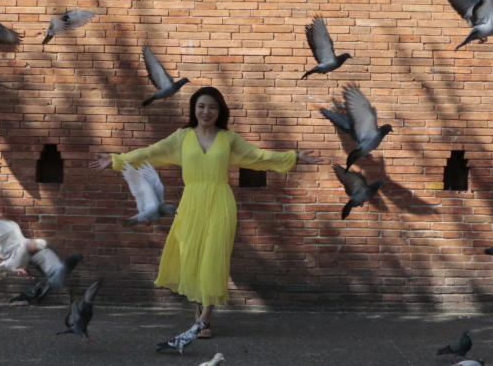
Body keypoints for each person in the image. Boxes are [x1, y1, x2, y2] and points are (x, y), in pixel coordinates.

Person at [91, 86, 321, 340]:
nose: (206, 111)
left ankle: (204, 320)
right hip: (190, 203)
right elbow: (150, 153)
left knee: (214, 256)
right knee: (193, 257)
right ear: (194, 109)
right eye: (201, 106)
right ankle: (199, 312)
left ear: (220, 110)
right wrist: (116, 160)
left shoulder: (228, 138)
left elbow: (259, 156)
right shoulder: (181, 137)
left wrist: (295, 157)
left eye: (212, 106)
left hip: (221, 202)